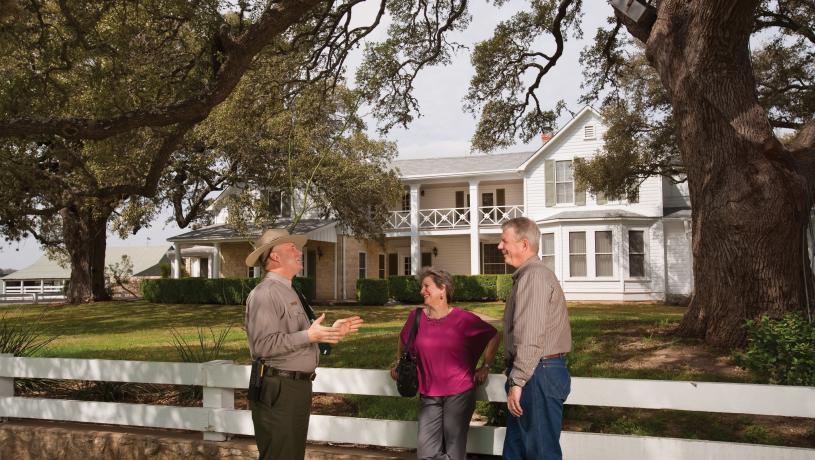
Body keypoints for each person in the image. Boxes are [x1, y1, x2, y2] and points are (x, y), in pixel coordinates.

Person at [244, 228, 363, 460]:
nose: (299, 252)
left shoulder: (290, 292)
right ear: (275, 257)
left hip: (295, 388)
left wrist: (329, 333)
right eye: (292, 248)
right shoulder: (265, 294)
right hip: (279, 388)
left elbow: (302, 337)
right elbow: (262, 346)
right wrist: (309, 336)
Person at [391, 267, 500, 460]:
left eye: (426, 286)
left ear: (442, 289)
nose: (421, 291)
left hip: (459, 393)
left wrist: (486, 366)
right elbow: (403, 340)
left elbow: (493, 336)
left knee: (454, 451)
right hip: (428, 393)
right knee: (426, 453)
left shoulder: (463, 319)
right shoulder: (416, 317)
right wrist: (399, 362)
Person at [498, 217, 572, 460]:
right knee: (516, 451)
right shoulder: (528, 276)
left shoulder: (534, 277)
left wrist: (517, 380)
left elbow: (530, 334)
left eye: (504, 240)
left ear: (524, 244)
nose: (500, 246)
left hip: (537, 373)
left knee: (540, 453)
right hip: (535, 370)